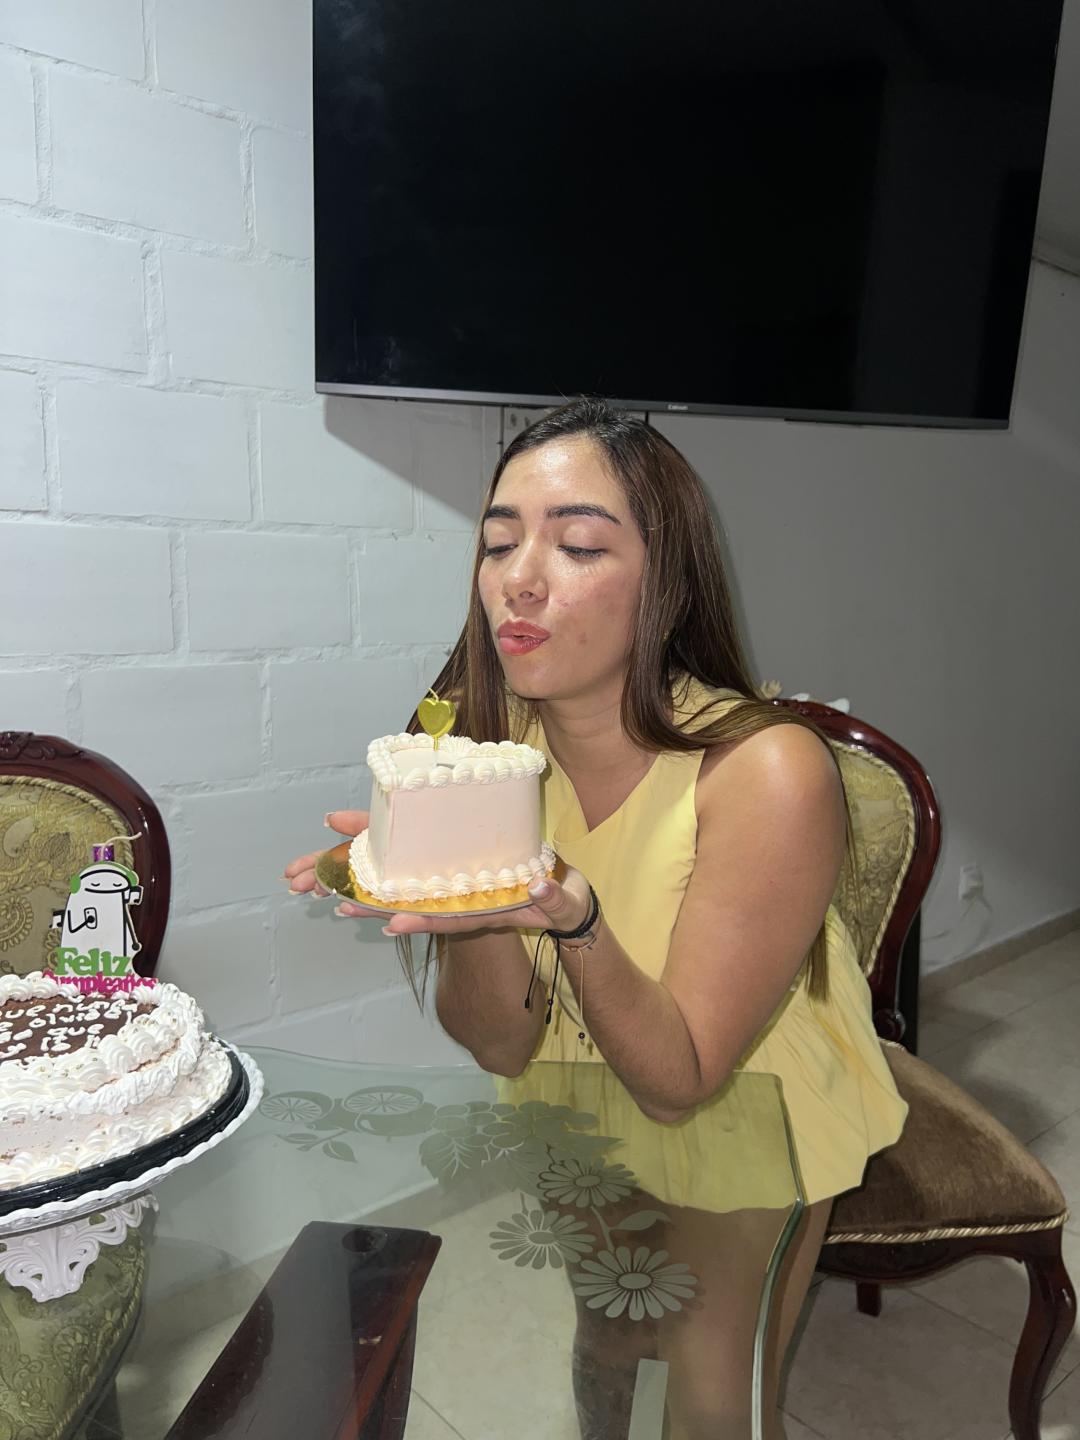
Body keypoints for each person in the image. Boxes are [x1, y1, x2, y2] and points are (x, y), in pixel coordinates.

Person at [285, 399, 909, 1439]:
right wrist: (471, 908)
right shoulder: (486, 754)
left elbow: (680, 1079)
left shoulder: (766, 769)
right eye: (498, 544)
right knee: (612, 1343)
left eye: (576, 545)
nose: (519, 579)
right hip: (573, 1097)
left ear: (667, 581)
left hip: (744, 1104)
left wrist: (573, 919)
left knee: (710, 1400)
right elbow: (499, 1040)